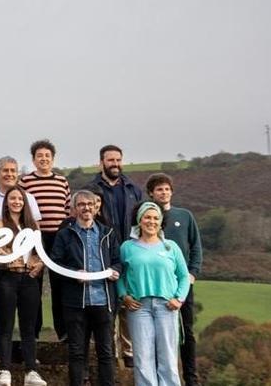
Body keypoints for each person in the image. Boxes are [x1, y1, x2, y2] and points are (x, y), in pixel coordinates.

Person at [51, 189, 122, 386]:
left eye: (90, 204)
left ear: (96, 208)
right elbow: (55, 265)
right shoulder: (65, 235)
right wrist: (75, 274)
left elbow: (118, 261)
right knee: (76, 352)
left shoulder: (108, 233)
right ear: (74, 209)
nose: (86, 208)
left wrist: (115, 270)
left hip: (104, 300)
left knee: (106, 352)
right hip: (76, 303)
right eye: (81, 204)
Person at [118, 202, 191, 386]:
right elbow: (119, 276)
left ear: (160, 222)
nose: (152, 221)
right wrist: (124, 296)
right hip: (138, 308)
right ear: (140, 220)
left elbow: (184, 276)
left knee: (167, 356)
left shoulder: (171, 247)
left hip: (166, 307)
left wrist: (179, 298)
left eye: (156, 218)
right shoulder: (127, 247)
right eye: (147, 217)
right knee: (143, 357)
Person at [0, 156, 43, 364]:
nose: (9, 173)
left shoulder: (29, 198)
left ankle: (30, 359)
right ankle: (0, 353)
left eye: (13, 170)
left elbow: (36, 236)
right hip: (0, 265)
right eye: (5, 170)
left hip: (27, 270)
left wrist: (37, 263)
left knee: (30, 314)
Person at [83, 144, 142, 365]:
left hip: (129, 251)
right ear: (101, 163)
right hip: (102, 252)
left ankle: (128, 353)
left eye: (118, 160)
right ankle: (108, 353)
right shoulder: (90, 188)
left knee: (128, 302)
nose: (115, 164)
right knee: (108, 305)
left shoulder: (132, 189)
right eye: (110, 160)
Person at [145, 173, 203, 386]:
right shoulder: (146, 217)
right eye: (159, 189)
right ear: (151, 193)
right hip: (156, 284)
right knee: (157, 334)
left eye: (167, 189)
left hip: (182, 284)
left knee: (186, 332)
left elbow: (196, 247)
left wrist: (192, 273)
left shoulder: (185, 215)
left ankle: (191, 378)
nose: (164, 192)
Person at [0, 186, 47, 386]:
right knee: (6, 325)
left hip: (29, 280)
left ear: (25, 202)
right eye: (12, 198)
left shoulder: (32, 226)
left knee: (29, 327)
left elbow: (39, 252)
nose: (16, 202)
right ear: (6, 202)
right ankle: (5, 370)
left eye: (20, 199)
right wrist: (16, 260)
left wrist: (38, 264)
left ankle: (31, 371)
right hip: (7, 277)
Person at [19, 139, 71, 343]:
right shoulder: (26, 181)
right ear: (33, 159)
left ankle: (63, 331)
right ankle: (34, 332)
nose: (43, 159)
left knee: (59, 285)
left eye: (47, 156)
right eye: (39, 156)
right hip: (35, 238)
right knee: (34, 285)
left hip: (59, 238)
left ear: (53, 158)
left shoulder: (61, 181)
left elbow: (67, 210)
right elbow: (22, 208)